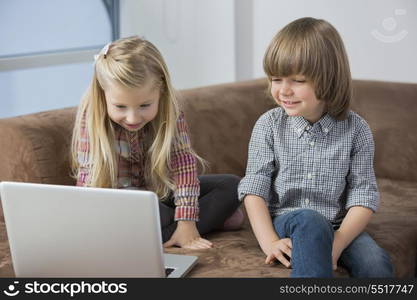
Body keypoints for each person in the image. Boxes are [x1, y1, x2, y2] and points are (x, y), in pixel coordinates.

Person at [238, 17, 393, 277]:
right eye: (276, 79)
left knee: (375, 263)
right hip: (288, 221)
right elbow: (254, 188)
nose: (284, 90)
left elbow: (363, 195)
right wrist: (269, 242)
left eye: (297, 80)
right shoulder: (268, 125)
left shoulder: (357, 130)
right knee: (310, 220)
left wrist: (338, 243)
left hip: (337, 225)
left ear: (329, 80)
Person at [71, 36, 243, 250]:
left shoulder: (170, 111)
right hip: (124, 207)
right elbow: (88, 182)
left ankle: (181, 230)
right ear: (103, 94)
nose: (133, 118)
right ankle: (202, 223)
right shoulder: (92, 116)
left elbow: (184, 167)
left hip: (161, 194)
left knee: (233, 185)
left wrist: (187, 220)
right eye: (121, 107)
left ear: (160, 90)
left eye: (144, 105)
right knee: (142, 204)